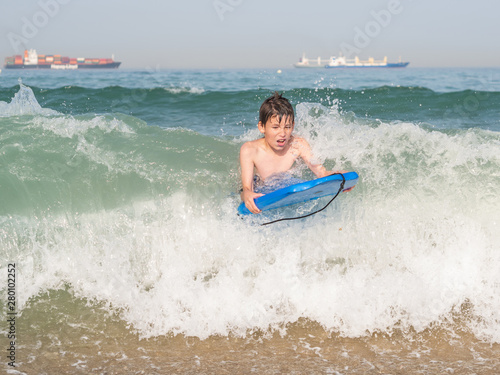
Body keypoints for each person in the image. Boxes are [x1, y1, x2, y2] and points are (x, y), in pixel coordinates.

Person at [240, 92, 349, 214]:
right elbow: (246, 189)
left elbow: (321, 173)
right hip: (261, 187)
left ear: (293, 126)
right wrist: (247, 195)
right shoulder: (250, 150)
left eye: (287, 127)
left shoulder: (298, 144)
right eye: (275, 127)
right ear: (262, 127)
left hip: (285, 188)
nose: (282, 133)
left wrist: (337, 177)